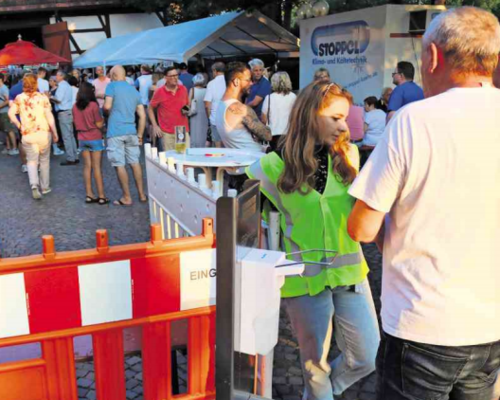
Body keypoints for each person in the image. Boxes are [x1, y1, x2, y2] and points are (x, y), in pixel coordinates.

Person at [347, 7, 500, 400]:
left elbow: (362, 227)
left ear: (433, 57)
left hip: (422, 325)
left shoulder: (415, 120)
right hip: (490, 327)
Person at [246, 81, 379, 400]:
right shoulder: (272, 166)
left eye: (345, 118)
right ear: (309, 115)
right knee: (313, 367)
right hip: (302, 281)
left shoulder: (350, 155)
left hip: (350, 275)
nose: (344, 126)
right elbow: (252, 221)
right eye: (334, 118)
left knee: (367, 357)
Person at [8, 74, 59, 200]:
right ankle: (45, 187)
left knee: (31, 160)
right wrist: (55, 132)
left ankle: (34, 185)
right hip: (43, 133)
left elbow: (10, 113)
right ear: (36, 84)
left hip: (28, 134)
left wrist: (19, 125)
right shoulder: (42, 97)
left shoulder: (19, 98)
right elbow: (49, 116)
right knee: (44, 160)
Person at [104, 65, 147, 206]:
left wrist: (106, 113)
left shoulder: (111, 86)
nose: (110, 78)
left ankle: (127, 197)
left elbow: (107, 106)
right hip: (131, 131)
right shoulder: (133, 90)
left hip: (115, 130)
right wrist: (140, 134)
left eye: (110, 75)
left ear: (114, 75)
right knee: (135, 162)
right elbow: (142, 115)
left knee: (119, 164)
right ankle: (141, 195)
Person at [216, 62, 271, 152]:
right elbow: (267, 135)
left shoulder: (221, 105)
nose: (251, 83)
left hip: (240, 158)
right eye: (248, 80)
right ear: (236, 81)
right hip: (254, 160)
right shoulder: (241, 109)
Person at [72, 82, 108, 205]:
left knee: (87, 167)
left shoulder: (75, 106)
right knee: (97, 167)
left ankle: (89, 194)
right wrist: (103, 123)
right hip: (94, 137)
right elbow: (99, 124)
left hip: (82, 138)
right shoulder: (93, 105)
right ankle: (101, 196)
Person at [149, 66, 190, 151]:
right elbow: (150, 109)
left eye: (176, 75)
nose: (175, 78)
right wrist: (155, 126)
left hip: (181, 130)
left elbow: (187, 104)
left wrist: (186, 110)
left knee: (183, 158)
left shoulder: (183, 89)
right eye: (172, 76)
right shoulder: (159, 92)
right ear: (165, 78)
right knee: (170, 160)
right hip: (166, 132)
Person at [261, 71, 296, 151]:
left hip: (273, 134)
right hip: (289, 134)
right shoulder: (293, 96)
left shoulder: (269, 97)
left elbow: (263, 119)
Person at [53, 70, 78, 165]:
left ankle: (71, 158)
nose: (55, 77)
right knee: (71, 135)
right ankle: (74, 156)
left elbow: (58, 100)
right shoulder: (67, 85)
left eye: (57, 75)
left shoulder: (62, 86)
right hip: (68, 111)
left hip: (64, 112)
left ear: (61, 76)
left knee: (67, 136)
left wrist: (49, 97)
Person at [204, 61, 226, 147]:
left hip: (215, 119)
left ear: (215, 71)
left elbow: (207, 104)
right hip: (228, 118)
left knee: (218, 147)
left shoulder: (211, 84)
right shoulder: (229, 81)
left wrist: (209, 117)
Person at [188, 73, 209, 148]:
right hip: (205, 115)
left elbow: (189, 103)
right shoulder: (207, 90)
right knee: (203, 132)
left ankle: (194, 148)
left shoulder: (192, 90)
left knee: (194, 133)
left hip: (194, 115)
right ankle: (202, 148)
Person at [0, 73, 19, 156]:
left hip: (5, 112)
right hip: (2, 112)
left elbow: (8, 100)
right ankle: (8, 147)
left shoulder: (4, 88)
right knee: (5, 130)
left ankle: (14, 148)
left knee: (9, 130)